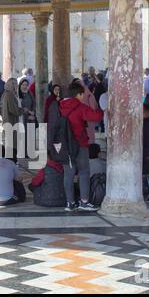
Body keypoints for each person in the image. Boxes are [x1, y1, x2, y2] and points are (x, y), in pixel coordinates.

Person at [58, 82, 104, 211]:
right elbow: (96, 117)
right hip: (79, 144)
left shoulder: (59, 106)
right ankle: (84, 202)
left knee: (68, 174)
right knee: (84, 172)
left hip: (64, 146)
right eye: (82, 94)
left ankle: (70, 203)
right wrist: (101, 109)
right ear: (79, 94)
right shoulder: (80, 107)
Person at [72, 78, 98, 144]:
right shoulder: (87, 92)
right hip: (87, 116)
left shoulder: (84, 92)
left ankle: (89, 147)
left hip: (85, 116)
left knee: (87, 133)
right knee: (88, 133)